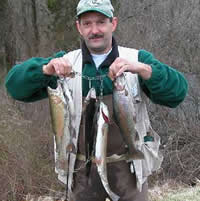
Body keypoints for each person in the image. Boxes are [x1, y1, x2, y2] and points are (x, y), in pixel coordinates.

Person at [5, 0, 188, 200]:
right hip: (81, 174)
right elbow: (14, 88)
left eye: (101, 22)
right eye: (87, 23)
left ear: (113, 24)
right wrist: (44, 69)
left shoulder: (136, 59)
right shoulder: (64, 64)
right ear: (79, 28)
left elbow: (177, 93)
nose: (95, 30)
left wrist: (144, 69)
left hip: (130, 170)